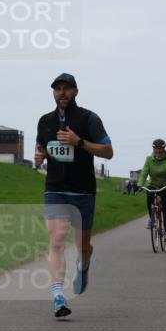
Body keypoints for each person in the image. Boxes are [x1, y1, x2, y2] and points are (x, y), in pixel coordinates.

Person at [33, 73, 113, 318]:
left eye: (66, 88)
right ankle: (58, 296)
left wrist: (79, 142)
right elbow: (41, 147)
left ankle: (84, 264)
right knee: (57, 239)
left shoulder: (89, 118)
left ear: (76, 91)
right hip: (55, 188)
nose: (62, 92)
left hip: (83, 190)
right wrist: (39, 156)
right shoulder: (45, 121)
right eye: (57, 88)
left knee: (82, 246)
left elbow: (108, 151)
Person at [136, 139, 166, 241]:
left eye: (160, 149)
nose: (158, 151)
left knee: (165, 209)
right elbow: (144, 173)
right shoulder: (149, 159)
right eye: (156, 149)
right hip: (153, 185)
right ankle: (152, 218)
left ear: (164, 149)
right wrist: (140, 184)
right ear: (153, 149)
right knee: (149, 200)